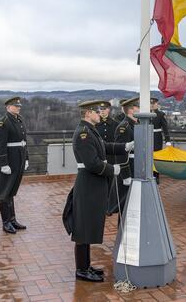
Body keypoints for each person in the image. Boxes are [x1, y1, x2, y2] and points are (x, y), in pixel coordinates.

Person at [63, 100, 134, 282]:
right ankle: (81, 270)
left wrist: (124, 146)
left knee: (88, 226)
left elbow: (105, 146)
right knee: (82, 228)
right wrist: (113, 169)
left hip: (94, 184)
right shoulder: (83, 134)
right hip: (88, 184)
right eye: (97, 111)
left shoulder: (90, 130)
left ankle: (86, 266)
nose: (101, 114)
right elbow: (92, 163)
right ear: (88, 113)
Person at [0, 96, 29, 234]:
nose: (19, 107)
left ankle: (12, 219)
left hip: (19, 159)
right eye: (16, 105)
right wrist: (4, 163)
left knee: (11, 191)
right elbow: (0, 145)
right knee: (4, 192)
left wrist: (26, 158)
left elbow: (24, 141)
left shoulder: (19, 120)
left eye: (19, 105)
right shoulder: (3, 123)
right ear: (8, 107)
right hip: (10, 160)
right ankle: (6, 222)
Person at [109, 97, 139, 215]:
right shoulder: (124, 127)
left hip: (136, 167)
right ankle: (123, 231)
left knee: (132, 203)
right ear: (131, 110)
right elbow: (120, 153)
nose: (140, 109)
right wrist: (126, 175)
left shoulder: (135, 124)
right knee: (125, 204)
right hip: (129, 168)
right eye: (138, 107)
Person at [150, 97, 171, 183]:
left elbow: (165, 128)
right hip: (148, 137)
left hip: (157, 138)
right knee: (148, 157)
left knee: (156, 157)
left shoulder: (160, 114)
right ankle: (149, 174)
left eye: (153, 104)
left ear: (157, 104)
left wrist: (167, 140)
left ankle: (156, 176)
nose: (152, 105)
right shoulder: (146, 113)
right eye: (151, 104)